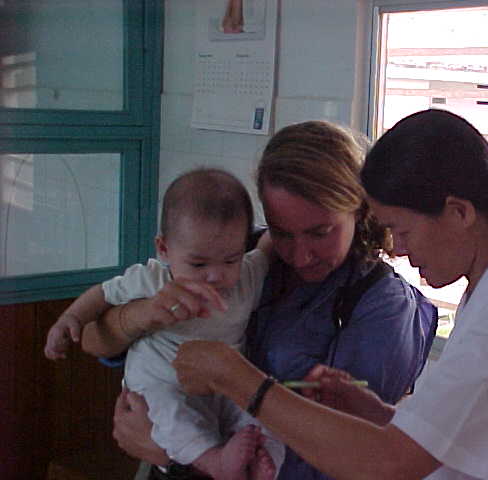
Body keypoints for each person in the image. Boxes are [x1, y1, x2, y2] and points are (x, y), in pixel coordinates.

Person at [171, 109, 488, 479]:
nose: (397, 247)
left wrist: (236, 378)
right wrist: (374, 412)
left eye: (403, 229)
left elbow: (390, 464)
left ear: (459, 212)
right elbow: (447, 440)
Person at [81, 120, 439, 479]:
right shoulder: (234, 254)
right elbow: (96, 341)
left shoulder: (383, 309)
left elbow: (346, 460)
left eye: (320, 233)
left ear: (359, 210)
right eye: (282, 232)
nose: (300, 257)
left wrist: (178, 456)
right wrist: (144, 314)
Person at [46, 168, 284, 480]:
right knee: (168, 413)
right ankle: (213, 462)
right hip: (160, 381)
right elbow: (103, 294)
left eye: (230, 260)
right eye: (198, 264)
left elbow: (269, 245)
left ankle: (260, 463)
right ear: (164, 249)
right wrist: (70, 319)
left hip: (223, 384)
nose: (215, 275)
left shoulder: (248, 277)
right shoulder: (152, 279)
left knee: (266, 414)